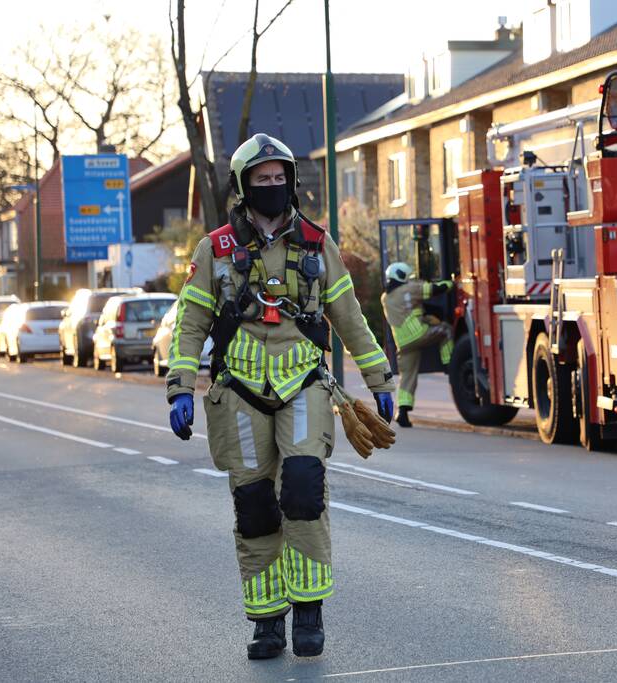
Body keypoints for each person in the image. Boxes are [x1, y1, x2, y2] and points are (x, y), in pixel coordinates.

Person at [165, 133, 395, 659]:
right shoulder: (214, 250)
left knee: (303, 490)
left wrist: (379, 380)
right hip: (238, 393)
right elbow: (190, 324)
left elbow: (350, 319)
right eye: (262, 180)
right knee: (254, 506)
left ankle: (309, 610)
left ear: (291, 182)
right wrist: (180, 388)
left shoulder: (318, 244)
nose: (273, 187)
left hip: (304, 387)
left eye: (280, 178)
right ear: (244, 187)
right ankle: (267, 620)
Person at [380, 262, 453, 427]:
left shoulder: (385, 298)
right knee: (446, 330)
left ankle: (402, 412)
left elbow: (409, 310)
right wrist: (453, 283)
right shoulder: (410, 289)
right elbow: (436, 289)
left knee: (407, 377)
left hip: (403, 344)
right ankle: (450, 364)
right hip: (419, 333)